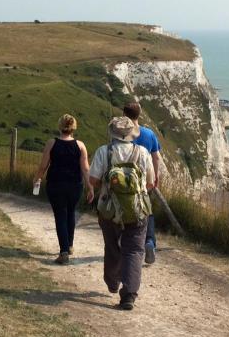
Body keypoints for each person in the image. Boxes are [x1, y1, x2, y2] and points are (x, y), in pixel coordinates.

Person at [88, 116, 155, 311]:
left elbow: (93, 179)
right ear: (131, 134)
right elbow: (151, 182)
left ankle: (112, 281)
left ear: (113, 133)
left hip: (109, 209)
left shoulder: (104, 151)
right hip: (138, 209)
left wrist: (109, 187)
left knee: (112, 246)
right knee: (134, 250)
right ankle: (129, 296)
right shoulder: (142, 152)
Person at [33, 114, 92, 264]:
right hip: (75, 185)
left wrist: (37, 178)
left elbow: (43, 166)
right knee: (71, 212)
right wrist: (90, 187)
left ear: (60, 126)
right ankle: (69, 245)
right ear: (73, 127)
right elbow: (85, 169)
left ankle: (64, 252)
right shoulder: (80, 145)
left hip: (56, 184)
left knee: (60, 215)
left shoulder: (51, 143)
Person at [123, 102, 161, 265]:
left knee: (124, 209)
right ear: (139, 115)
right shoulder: (149, 133)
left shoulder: (121, 134)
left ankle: (125, 244)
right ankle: (149, 242)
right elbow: (156, 157)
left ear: (125, 115)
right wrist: (156, 176)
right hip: (145, 180)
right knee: (147, 211)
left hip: (125, 180)